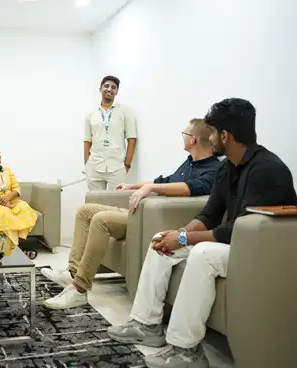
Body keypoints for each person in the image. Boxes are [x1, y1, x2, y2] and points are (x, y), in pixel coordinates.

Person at [107, 99, 297, 368]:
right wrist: (178, 233)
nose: (209, 138)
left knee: (204, 254)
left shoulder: (267, 170)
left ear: (225, 135)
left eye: (212, 131)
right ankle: (146, 325)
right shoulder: (227, 167)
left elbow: (239, 231)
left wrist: (185, 239)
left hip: (264, 251)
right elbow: (209, 214)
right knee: (161, 238)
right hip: (238, 243)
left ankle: (186, 351)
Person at [42, 118, 220, 310]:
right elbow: (164, 181)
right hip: (141, 214)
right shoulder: (190, 163)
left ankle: (79, 289)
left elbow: (188, 187)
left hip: (154, 221)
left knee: (101, 220)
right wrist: (133, 186)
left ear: (193, 139)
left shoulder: (214, 170)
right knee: (85, 211)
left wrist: (150, 188)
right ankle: (72, 272)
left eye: (185, 133)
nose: (182, 137)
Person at [84, 75, 137, 191]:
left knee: (115, 201)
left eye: (113, 87)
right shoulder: (91, 114)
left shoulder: (125, 111)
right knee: (95, 200)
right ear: (100, 89)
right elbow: (87, 140)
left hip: (117, 168)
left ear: (116, 92)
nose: (109, 89)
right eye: (106, 86)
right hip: (94, 167)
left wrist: (127, 165)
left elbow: (132, 139)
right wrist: (87, 164)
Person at [0, 146, 37, 245]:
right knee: (4, 212)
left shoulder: (6, 170)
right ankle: (11, 243)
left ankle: (19, 241)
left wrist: (8, 200)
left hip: (12, 200)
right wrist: (6, 204)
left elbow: (16, 188)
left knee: (25, 207)